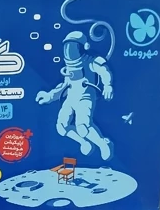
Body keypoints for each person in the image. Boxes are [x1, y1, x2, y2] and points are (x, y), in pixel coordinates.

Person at [36, 30, 115, 160]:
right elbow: (64, 86)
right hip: (71, 97)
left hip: (85, 97)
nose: (70, 51)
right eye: (68, 47)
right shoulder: (69, 67)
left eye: (73, 47)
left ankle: (103, 144)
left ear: (84, 47)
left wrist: (108, 86)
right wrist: (49, 96)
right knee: (62, 127)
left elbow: (104, 71)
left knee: (82, 127)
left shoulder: (91, 61)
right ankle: (84, 143)